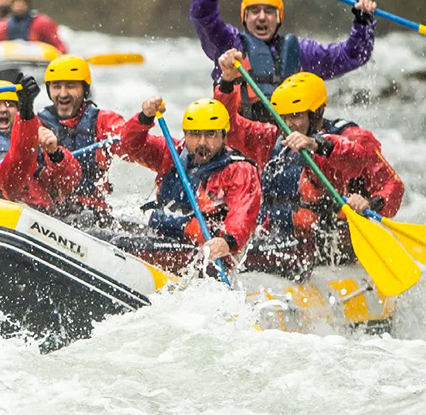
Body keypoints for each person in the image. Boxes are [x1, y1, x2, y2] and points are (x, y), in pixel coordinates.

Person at [214, 49, 403, 278]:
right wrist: (226, 82)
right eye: (285, 116)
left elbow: (386, 180)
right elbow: (229, 128)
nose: (289, 123)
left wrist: (371, 203)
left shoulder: (351, 137)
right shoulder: (274, 138)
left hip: (328, 247)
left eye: (296, 116)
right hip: (276, 241)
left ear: (316, 113)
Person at [192, 0, 378, 122]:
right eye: (254, 11)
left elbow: (352, 56)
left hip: (289, 138)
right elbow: (202, 14)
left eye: (269, 12)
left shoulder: (303, 52)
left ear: (279, 18)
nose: (262, 17)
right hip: (242, 136)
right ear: (245, 18)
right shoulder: (228, 44)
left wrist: (363, 23)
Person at [117, 97, 261, 277]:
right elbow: (130, 147)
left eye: (210, 135)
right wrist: (144, 119)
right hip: (163, 234)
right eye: (194, 134)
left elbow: (243, 214)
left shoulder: (239, 170)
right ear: (185, 135)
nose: (202, 142)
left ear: (224, 135)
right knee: (103, 233)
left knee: (119, 244)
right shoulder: (172, 153)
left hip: (200, 251)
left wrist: (227, 241)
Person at [37, 55, 128, 221]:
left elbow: (133, 144)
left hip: (93, 211)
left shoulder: (103, 121)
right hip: (51, 213)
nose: (63, 94)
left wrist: (143, 120)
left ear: (84, 90)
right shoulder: (38, 125)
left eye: (70, 86)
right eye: (56, 87)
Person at [0, 80, 81, 211]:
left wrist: (55, 154)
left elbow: (68, 183)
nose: (3, 109)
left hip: (41, 212)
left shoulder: (40, 133)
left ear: (18, 109)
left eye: (10, 105)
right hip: (2, 208)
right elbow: (13, 173)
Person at [0, 0, 67, 54]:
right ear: (11, 4)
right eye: (16, 3)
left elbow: (58, 45)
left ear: (28, 4)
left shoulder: (42, 22)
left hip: (37, 63)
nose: (18, 6)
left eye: (22, 2)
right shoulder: (3, 26)